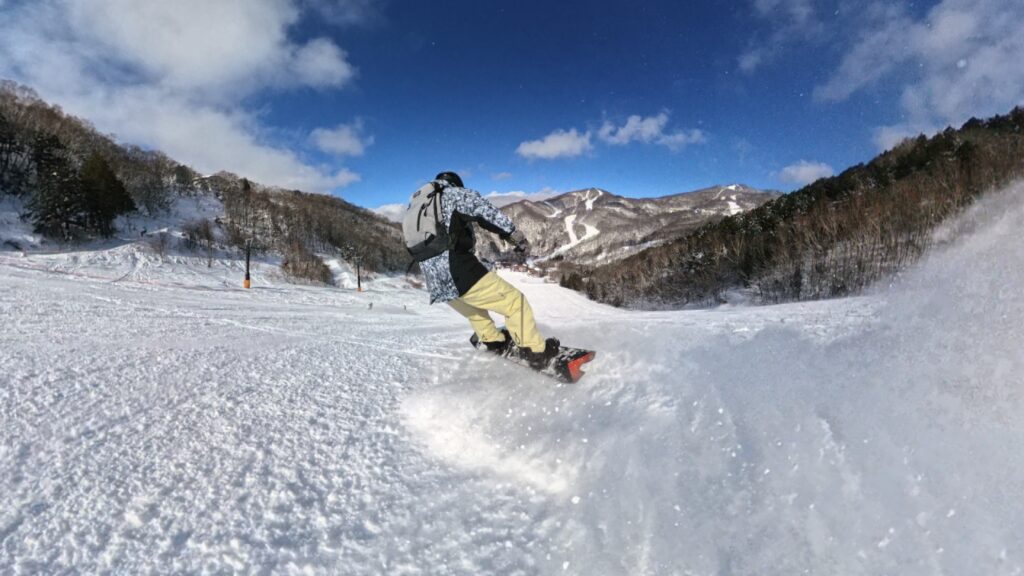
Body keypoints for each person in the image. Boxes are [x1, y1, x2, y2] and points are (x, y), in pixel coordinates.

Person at [417, 171, 559, 367]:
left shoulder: (422, 205)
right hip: (457, 268)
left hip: (434, 280)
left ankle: (493, 341)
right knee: (515, 303)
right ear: (456, 184)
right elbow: (484, 211)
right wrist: (512, 234)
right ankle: (535, 352)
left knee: (473, 309)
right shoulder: (452, 194)